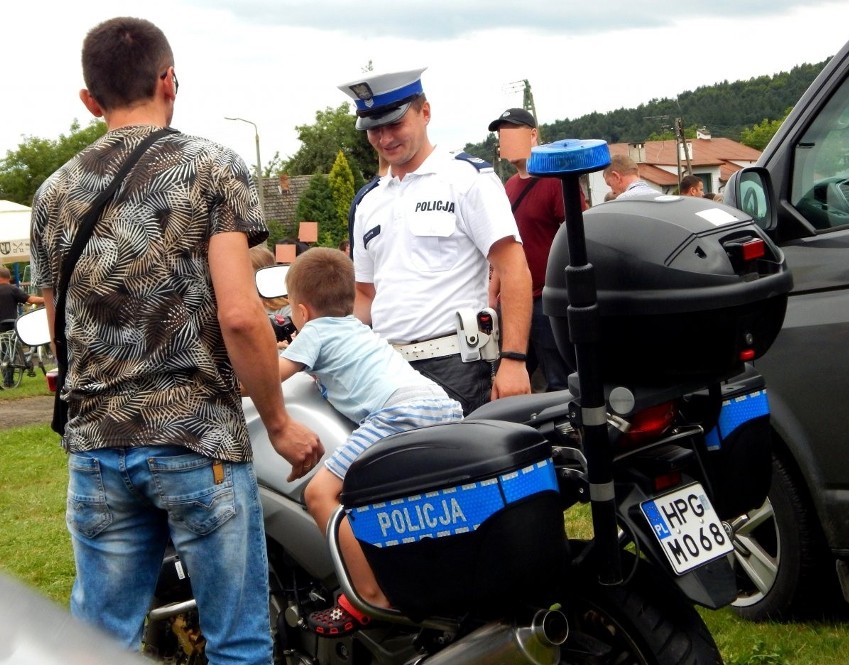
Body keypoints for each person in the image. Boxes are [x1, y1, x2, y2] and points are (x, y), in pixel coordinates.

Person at [29, 17, 323, 665]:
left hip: (98, 447)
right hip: (198, 440)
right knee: (237, 642)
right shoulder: (212, 169)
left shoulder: (51, 195)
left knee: (96, 644)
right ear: (169, 80)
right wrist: (277, 422)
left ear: (89, 98)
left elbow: (58, 333)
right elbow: (242, 316)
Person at [277, 247, 463, 634]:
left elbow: (267, 378)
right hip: (440, 405)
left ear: (302, 311)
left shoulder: (314, 332)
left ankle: (368, 597)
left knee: (319, 495)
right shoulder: (357, 328)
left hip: (398, 413)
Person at [338, 68, 532, 414]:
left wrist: (514, 360)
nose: (384, 138)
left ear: (425, 112)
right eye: (374, 128)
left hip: (457, 366)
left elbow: (513, 267)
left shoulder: (466, 179)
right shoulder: (368, 202)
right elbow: (365, 294)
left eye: (395, 124)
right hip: (387, 371)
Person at [487, 108, 586, 390]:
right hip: (514, 301)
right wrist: (493, 292)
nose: (505, 141)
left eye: (512, 132)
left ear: (533, 135)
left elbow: (578, 236)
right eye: (502, 135)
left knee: (559, 379)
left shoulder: (556, 182)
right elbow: (502, 247)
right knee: (510, 375)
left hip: (547, 299)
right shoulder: (507, 187)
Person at [0, 266, 44, 332]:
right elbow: (31, 300)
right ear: (9, 277)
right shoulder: (12, 289)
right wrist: (48, 299)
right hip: (9, 327)